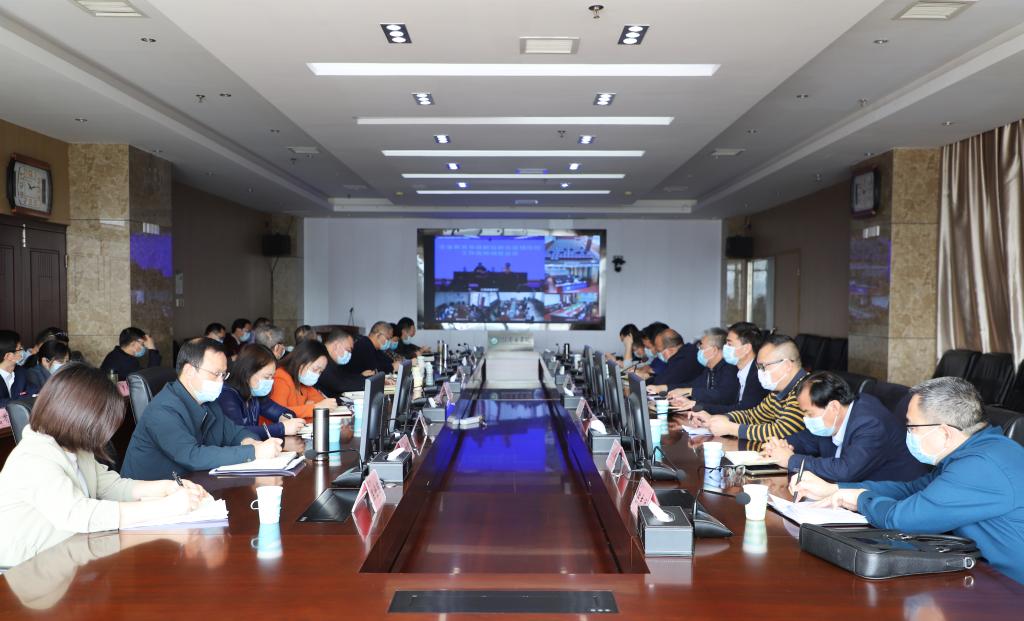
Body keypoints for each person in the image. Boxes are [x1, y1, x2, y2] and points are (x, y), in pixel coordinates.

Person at [793, 377, 1024, 584]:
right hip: (980, 573)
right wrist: (836, 489)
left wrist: (861, 500)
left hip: (1008, 591)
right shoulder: (977, 451)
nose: (908, 434)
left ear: (945, 432)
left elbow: (905, 519)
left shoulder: (980, 466)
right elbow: (912, 489)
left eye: (912, 426)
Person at [0, 364, 211, 567]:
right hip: (26, 570)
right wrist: (165, 507)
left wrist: (167, 488)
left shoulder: (74, 445)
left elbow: (110, 486)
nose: (105, 434)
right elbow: (78, 514)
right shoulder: (34, 458)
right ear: (77, 415)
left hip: (69, 555)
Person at [120, 338, 281, 480]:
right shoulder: (162, 409)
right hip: (149, 496)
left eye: (223, 375)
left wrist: (250, 442)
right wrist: (253, 452)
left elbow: (234, 432)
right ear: (189, 371)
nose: (221, 381)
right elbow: (192, 456)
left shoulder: (208, 402)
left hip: (190, 485)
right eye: (216, 374)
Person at [760, 371, 928, 482]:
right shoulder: (835, 417)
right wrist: (781, 445)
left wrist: (790, 460)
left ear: (833, 407)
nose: (806, 419)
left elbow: (845, 471)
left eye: (809, 414)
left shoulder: (870, 423)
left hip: (891, 499)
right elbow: (807, 439)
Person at [690, 334, 807, 442]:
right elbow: (754, 416)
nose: (760, 372)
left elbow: (780, 431)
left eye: (764, 366)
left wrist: (731, 429)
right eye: (759, 367)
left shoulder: (806, 390)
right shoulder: (778, 391)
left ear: (786, 366)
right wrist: (718, 419)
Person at [671, 322, 767, 415]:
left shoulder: (757, 375)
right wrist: (696, 406)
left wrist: (698, 406)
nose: (724, 348)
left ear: (746, 348)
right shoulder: (742, 371)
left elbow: (744, 411)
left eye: (729, 344)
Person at [217, 344, 305, 439]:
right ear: (248, 373)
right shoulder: (227, 395)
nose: (271, 381)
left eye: (272, 377)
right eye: (266, 377)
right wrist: (282, 428)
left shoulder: (255, 394)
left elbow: (277, 410)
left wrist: (286, 417)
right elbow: (238, 432)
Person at [665, 327, 739, 409]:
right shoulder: (709, 369)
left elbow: (723, 396)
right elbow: (693, 385)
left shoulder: (730, 368)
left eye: (702, 347)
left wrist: (690, 392)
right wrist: (666, 388)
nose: (699, 351)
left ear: (714, 350)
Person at [268, 339, 337, 420]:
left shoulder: (303, 381)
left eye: (320, 372)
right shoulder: (280, 378)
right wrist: (313, 407)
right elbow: (280, 414)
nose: (317, 375)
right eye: (315, 369)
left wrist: (310, 407)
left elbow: (322, 401)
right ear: (301, 361)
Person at [644, 329, 701, 393]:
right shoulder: (687, 351)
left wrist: (644, 382)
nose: (658, 354)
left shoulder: (683, 359)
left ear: (671, 350)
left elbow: (660, 383)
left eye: (659, 351)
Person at [316, 329, 366, 396]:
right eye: (348, 350)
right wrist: (367, 383)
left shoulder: (331, 359)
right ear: (336, 345)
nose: (349, 354)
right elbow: (339, 384)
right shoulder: (321, 359)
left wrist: (362, 377)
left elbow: (343, 376)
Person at [0, 329, 38, 407]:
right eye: (20, 348)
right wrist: (22, 399)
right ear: (9, 356)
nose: (23, 351)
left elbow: (33, 391)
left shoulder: (20, 371)